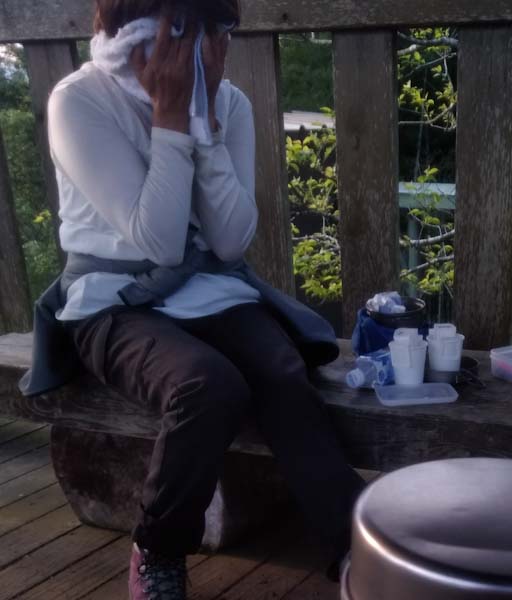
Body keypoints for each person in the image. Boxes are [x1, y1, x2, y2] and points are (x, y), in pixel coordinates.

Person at [18, 1, 365, 598]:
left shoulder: (231, 103)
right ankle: (158, 549)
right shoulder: (79, 100)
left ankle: (353, 543)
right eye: (171, 30)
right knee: (207, 385)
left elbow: (230, 240)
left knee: (282, 374)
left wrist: (203, 123)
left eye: (209, 31)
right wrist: (171, 118)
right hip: (111, 300)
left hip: (209, 286)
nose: (188, 50)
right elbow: (156, 239)